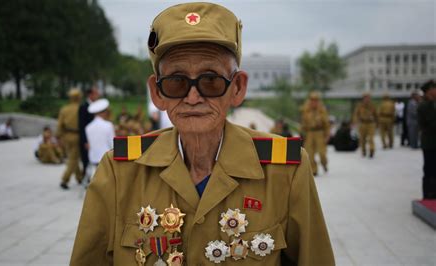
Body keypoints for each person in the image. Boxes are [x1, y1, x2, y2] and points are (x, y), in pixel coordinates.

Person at [71, 3, 334, 265]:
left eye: (211, 81)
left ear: (238, 88)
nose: (193, 97)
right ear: (158, 92)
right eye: (177, 82)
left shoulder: (285, 172)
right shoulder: (120, 171)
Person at [57, 88, 83, 190]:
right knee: (73, 158)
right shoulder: (81, 108)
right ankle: (65, 179)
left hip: (67, 135)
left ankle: (79, 177)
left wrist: (59, 136)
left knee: (73, 157)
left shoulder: (64, 109)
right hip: (77, 135)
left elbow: (60, 125)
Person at [85, 99, 115, 182]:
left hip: (93, 158)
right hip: (106, 159)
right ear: (104, 112)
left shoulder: (88, 127)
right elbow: (113, 144)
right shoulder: (108, 125)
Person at [300, 92, 330, 176]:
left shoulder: (322, 111)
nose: (314, 102)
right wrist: (302, 134)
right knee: (309, 153)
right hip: (309, 133)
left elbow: (326, 124)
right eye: (312, 100)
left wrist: (327, 135)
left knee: (322, 153)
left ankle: (324, 163)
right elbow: (303, 123)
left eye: (316, 100)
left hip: (319, 133)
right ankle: (314, 169)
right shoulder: (306, 110)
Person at [417, 80, 436, 199]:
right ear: (429, 91)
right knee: (429, 169)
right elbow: (430, 124)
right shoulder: (424, 105)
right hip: (430, 142)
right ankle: (428, 194)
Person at [78, 86, 100, 181]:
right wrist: (85, 141)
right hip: (88, 139)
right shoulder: (84, 107)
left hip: (96, 138)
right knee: (86, 159)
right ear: (90, 94)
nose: (97, 95)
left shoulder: (97, 106)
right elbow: (82, 126)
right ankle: (86, 178)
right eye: (96, 93)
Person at [353, 92, 378, 158]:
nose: (367, 99)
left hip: (370, 124)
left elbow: (376, 115)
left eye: (368, 98)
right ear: (363, 98)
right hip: (362, 123)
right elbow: (356, 114)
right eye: (365, 98)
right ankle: (363, 150)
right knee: (362, 139)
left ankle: (371, 150)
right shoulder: (360, 106)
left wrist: (377, 123)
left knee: (371, 138)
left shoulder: (372, 106)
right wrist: (355, 122)